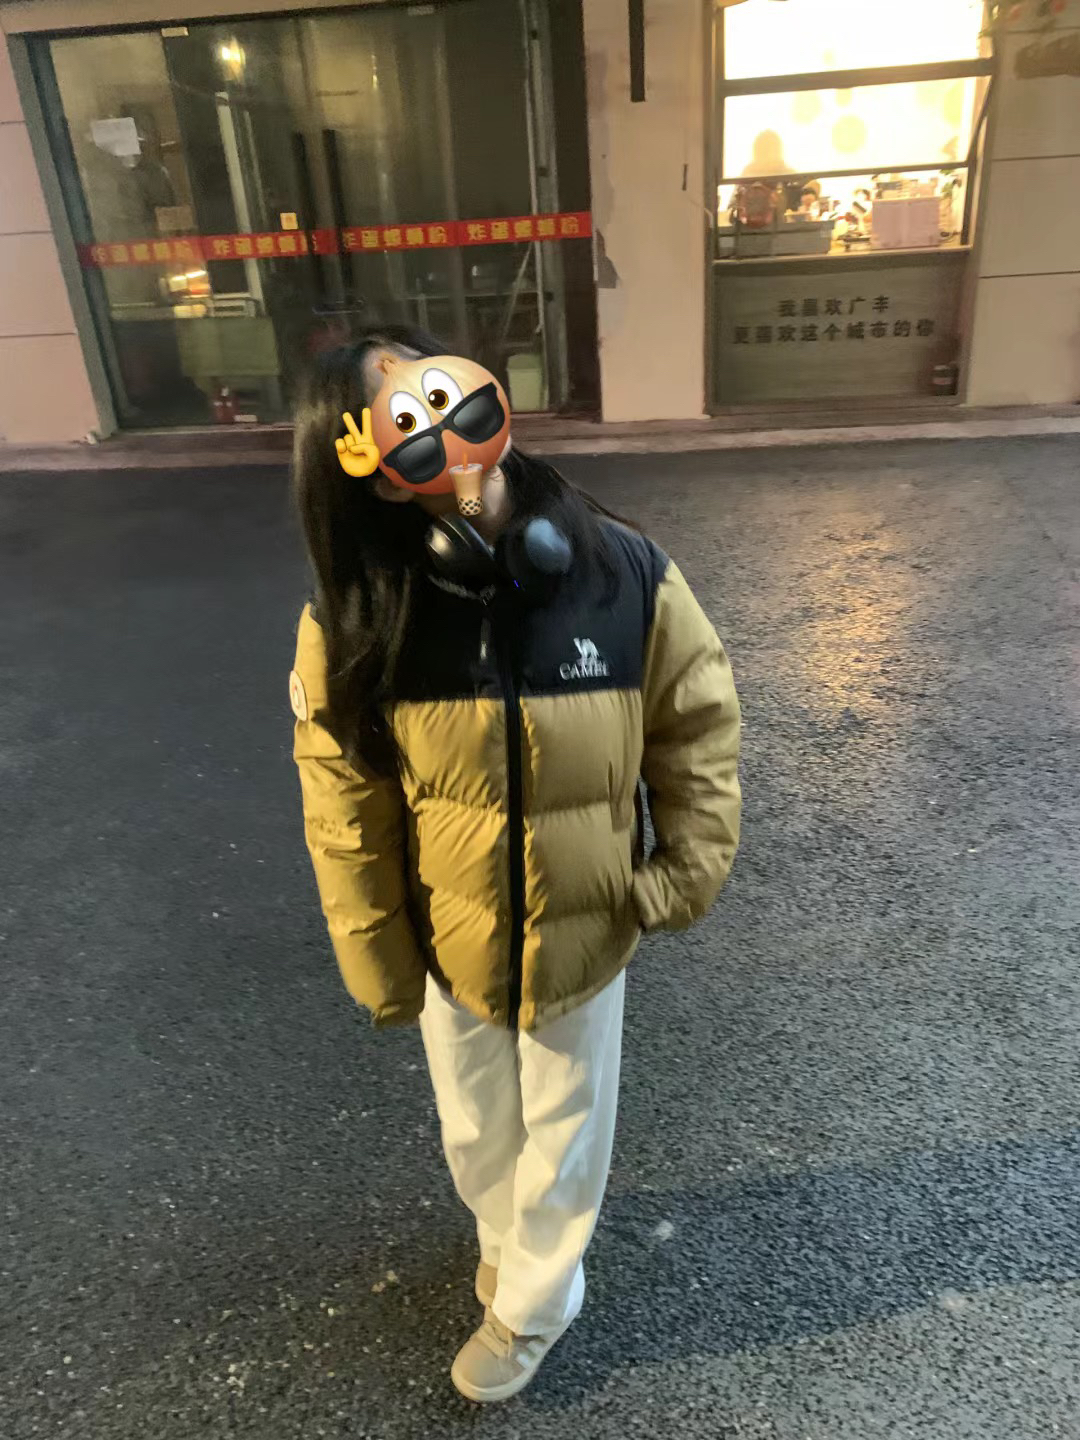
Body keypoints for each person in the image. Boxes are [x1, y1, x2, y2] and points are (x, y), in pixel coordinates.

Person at [288, 324, 742, 1403]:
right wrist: (379, 954)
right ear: (371, 472)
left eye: (440, 389)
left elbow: (697, 722)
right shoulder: (362, 616)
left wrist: (680, 871)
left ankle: (537, 1303)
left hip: (588, 921)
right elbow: (343, 803)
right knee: (477, 1130)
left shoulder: (622, 569)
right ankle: (509, 1243)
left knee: (568, 1130)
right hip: (450, 935)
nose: (438, 429)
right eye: (398, 421)